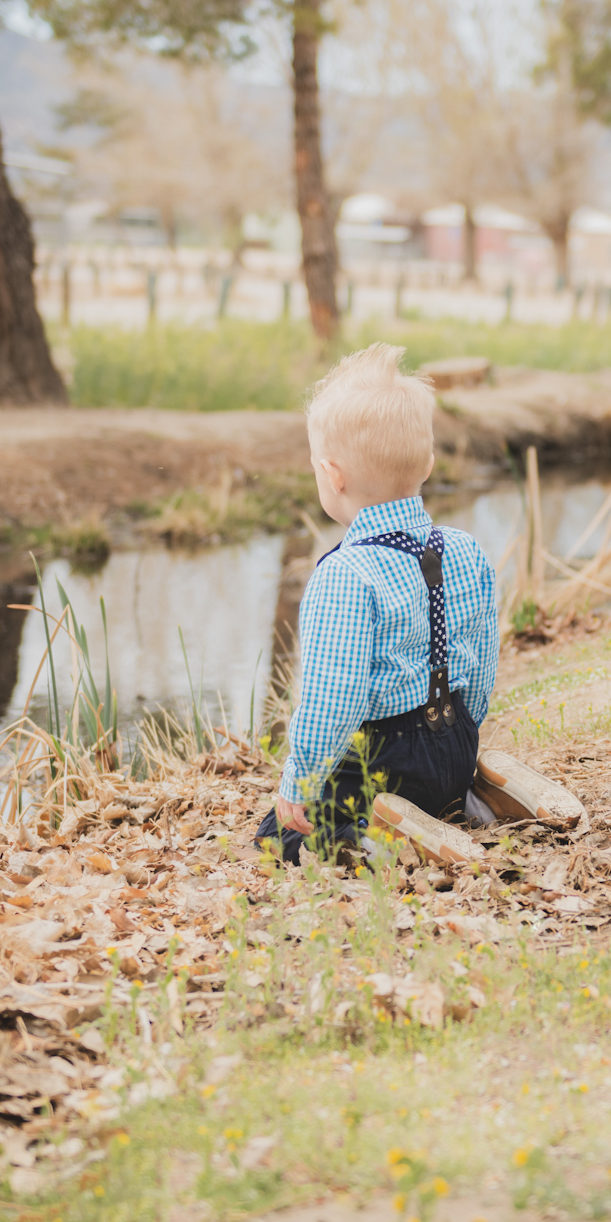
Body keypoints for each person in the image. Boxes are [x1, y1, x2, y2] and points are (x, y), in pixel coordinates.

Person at [256, 344, 498, 864]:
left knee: (278, 835)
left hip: (388, 762)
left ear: (332, 474)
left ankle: (371, 841)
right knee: (437, 783)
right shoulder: (464, 549)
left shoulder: (345, 574)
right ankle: (459, 802)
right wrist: (464, 737)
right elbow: (481, 669)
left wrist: (299, 781)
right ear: (428, 463)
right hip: (456, 744)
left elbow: (333, 700)